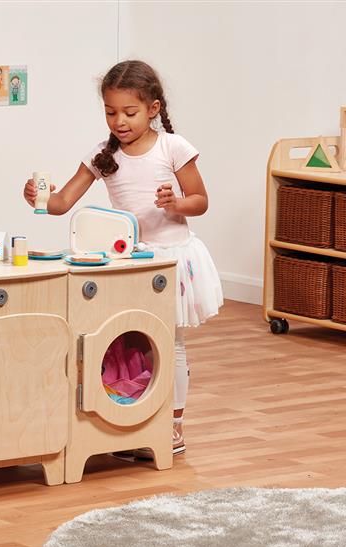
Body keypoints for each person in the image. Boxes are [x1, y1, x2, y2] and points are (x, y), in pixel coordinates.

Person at [23, 60, 223, 455]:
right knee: (124, 338)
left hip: (168, 259)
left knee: (170, 341)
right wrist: (38, 198)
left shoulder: (173, 147)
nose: (119, 121)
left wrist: (176, 203)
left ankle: (174, 424)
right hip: (127, 261)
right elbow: (62, 202)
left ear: (152, 108)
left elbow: (201, 201)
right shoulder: (102, 155)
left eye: (129, 113)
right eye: (110, 112)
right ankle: (132, 417)